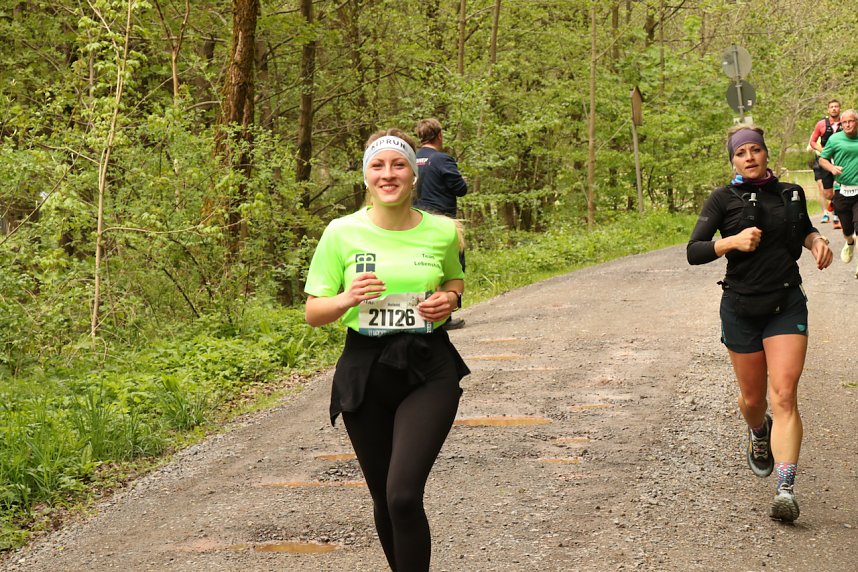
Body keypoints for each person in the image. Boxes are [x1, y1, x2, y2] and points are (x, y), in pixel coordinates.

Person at [304, 128, 470, 571]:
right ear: (365, 176)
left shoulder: (441, 231)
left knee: (402, 494)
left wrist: (449, 300)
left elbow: (454, 280)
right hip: (365, 369)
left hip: (428, 366)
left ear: (414, 174)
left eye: (398, 164)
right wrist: (345, 299)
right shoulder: (340, 233)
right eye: (378, 166)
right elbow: (314, 312)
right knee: (383, 497)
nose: (388, 174)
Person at [687, 125, 833, 523]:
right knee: (754, 402)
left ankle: (785, 488)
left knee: (784, 395)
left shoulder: (792, 193)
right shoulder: (722, 199)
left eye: (756, 150)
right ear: (733, 159)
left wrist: (816, 240)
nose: (749, 157)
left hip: (786, 303)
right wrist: (729, 242)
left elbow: (802, 228)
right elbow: (694, 251)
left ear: (766, 154)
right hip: (740, 307)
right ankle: (757, 432)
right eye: (741, 153)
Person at [414, 118, 468, 329]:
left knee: (424, 265)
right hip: (443, 220)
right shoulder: (442, 159)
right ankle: (444, 316)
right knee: (451, 266)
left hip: (416, 220)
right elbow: (461, 189)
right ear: (439, 136)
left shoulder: (411, 159)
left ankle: (421, 312)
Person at [818, 108, 858, 277]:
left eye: (851, 121)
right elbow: (822, 159)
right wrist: (832, 168)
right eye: (844, 122)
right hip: (841, 190)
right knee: (847, 229)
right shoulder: (835, 139)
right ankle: (849, 243)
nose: (847, 125)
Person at [808, 99, 842, 228]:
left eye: (836, 107)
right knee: (828, 193)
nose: (834, 109)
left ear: (840, 109)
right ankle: (833, 204)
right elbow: (812, 142)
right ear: (828, 110)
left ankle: (838, 215)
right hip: (825, 161)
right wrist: (823, 150)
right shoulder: (821, 124)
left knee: (843, 186)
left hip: (841, 159)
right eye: (831, 107)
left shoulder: (845, 123)